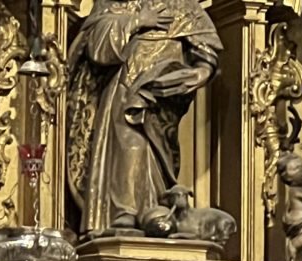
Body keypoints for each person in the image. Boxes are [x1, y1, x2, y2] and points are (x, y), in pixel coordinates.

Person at [67, 0, 222, 235]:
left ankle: (155, 211)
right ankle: (123, 214)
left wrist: (201, 72)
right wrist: (137, 21)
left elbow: (206, 50)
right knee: (129, 144)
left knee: (158, 155)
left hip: (164, 97)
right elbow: (97, 47)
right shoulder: (115, 3)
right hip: (125, 88)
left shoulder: (183, 5)